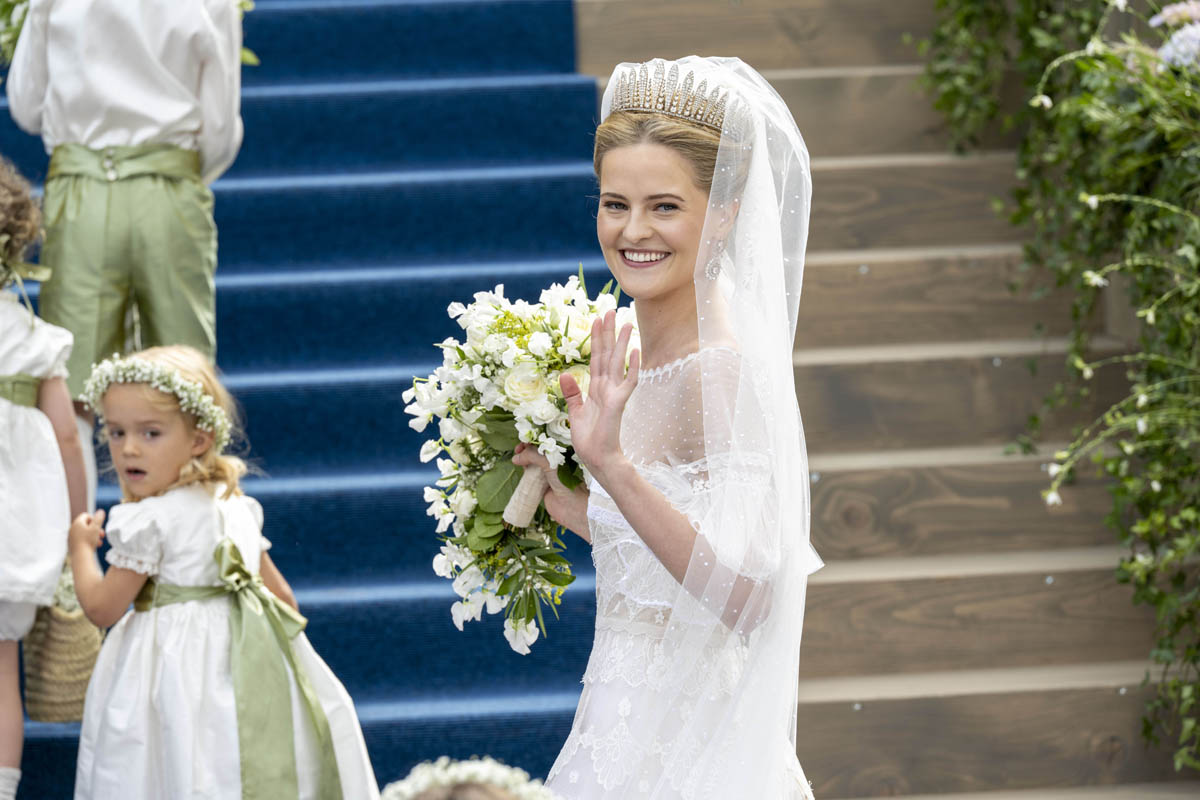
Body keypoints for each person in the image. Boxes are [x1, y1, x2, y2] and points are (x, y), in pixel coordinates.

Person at [512, 56, 822, 798]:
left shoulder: (720, 372)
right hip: (616, 720)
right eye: (614, 204)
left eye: (664, 207)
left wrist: (613, 468)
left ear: (725, 214)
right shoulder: (635, 357)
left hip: (694, 744)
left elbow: (749, 597)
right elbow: (667, 557)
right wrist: (579, 506)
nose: (633, 230)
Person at [67, 346, 379, 799]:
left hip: (168, 676)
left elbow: (101, 608)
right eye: (116, 432)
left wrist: (79, 549)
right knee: (230, 764)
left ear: (199, 439)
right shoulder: (236, 507)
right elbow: (284, 601)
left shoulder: (149, 521)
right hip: (246, 670)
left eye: (150, 433)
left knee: (173, 760)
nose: (128, 448)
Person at [5, 0, 244, 511]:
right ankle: (196, 539)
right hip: (169, 186)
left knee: (72, 387)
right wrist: (178, 171)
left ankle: (75, 547)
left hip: (81, 189)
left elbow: (25, 104)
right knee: (185, 378)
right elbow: (221, 127)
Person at [0, 156, 88, 800]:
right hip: (15, 534)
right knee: (2, 666)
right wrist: (77, 525)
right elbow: (66, 436)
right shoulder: (31, 335)